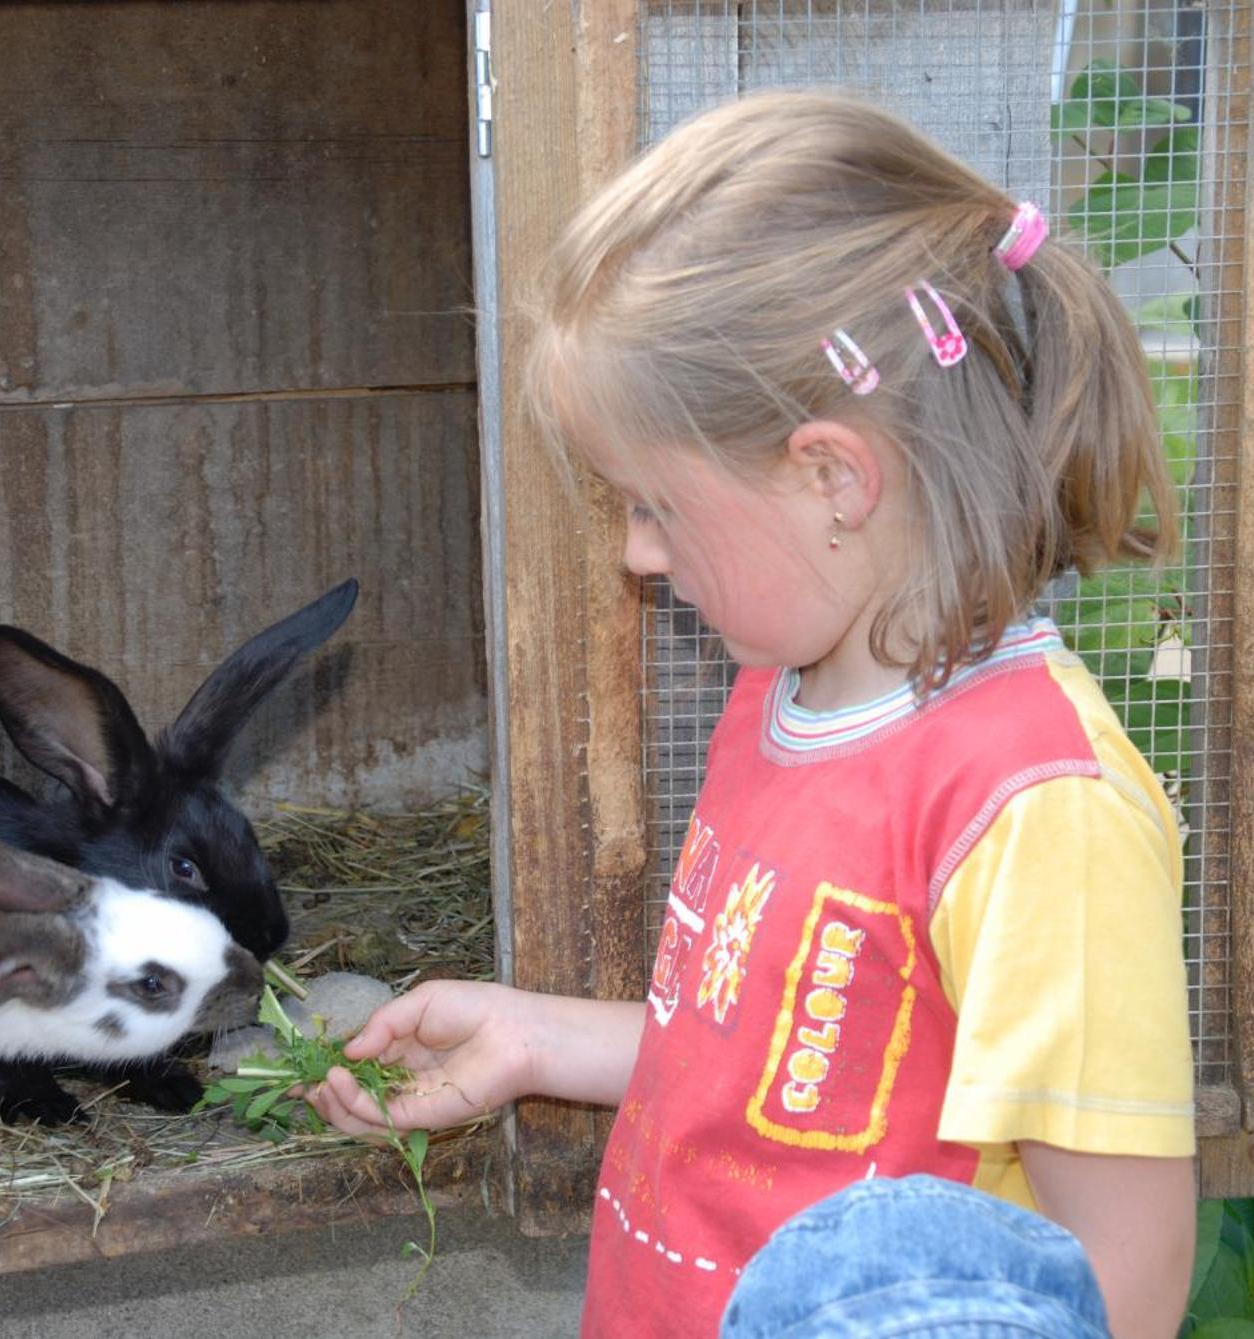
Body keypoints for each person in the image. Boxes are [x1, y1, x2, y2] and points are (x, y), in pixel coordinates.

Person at [306, 89, 1196, 1339]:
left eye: (654, 505)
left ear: (831, 475)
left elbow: (1125, 1282)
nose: (635, 554)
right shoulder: (782, 693)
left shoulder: (1035, 807)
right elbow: (791, 1073)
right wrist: (533, 1037)